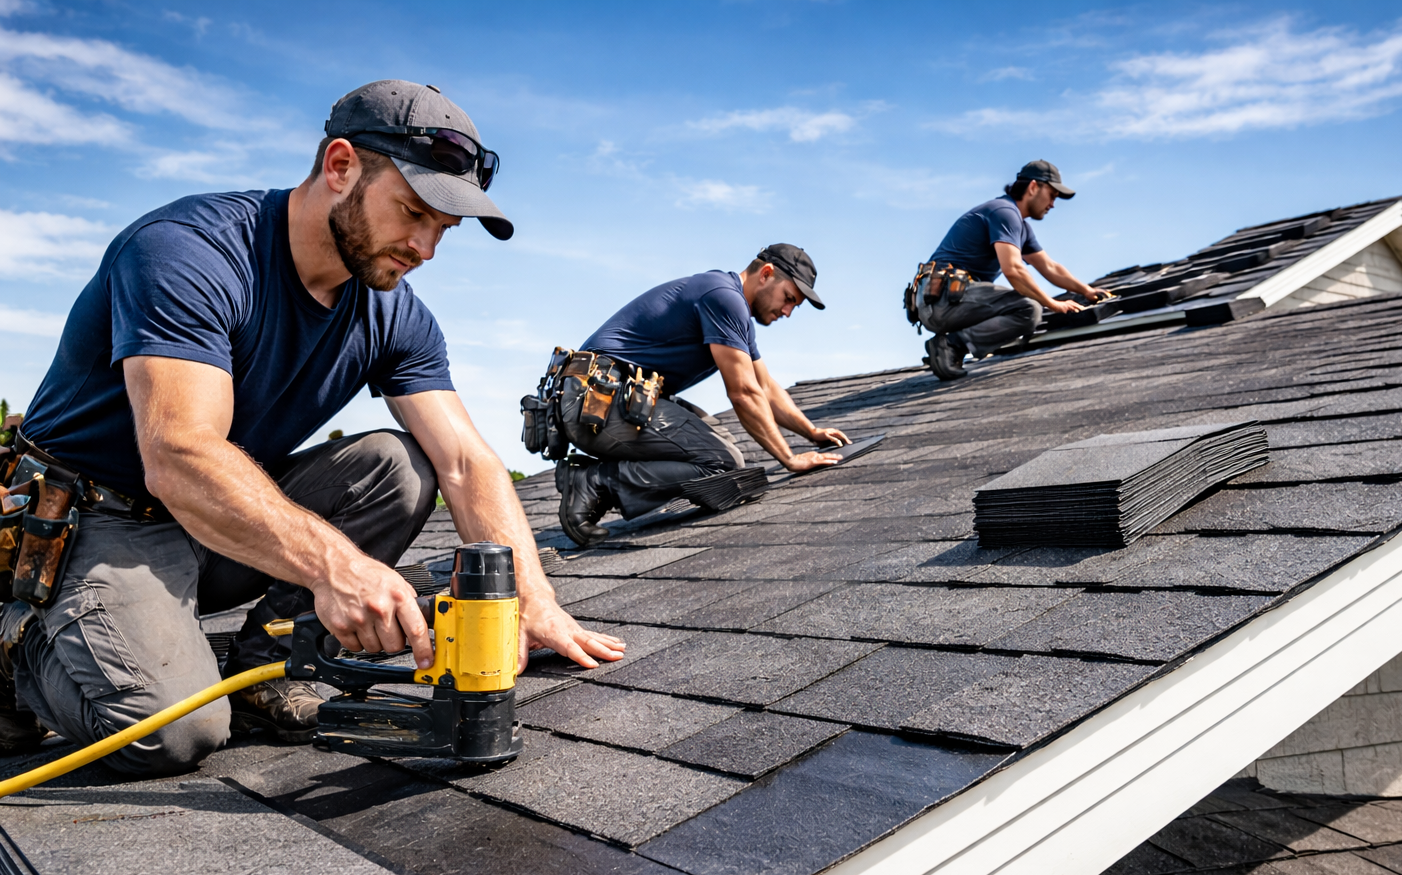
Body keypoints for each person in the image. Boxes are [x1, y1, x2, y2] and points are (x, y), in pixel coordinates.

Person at [0, 80, 624, 771]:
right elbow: (179, 453)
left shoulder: (393, 311)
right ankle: (18, 643)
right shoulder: (189, 251)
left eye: (443, 231)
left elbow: (466, 464)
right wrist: (337, 568)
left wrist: (531, 601)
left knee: (397, 465)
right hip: (92, 522)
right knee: (174, 733)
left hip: (207, 525)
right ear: (340, 167)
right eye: (412, 212)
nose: (425, 249)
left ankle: (269, 664)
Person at [553, 244, 850, 545]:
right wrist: (790, 459)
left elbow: (764, 385)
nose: (787, 312)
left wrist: (811, 432)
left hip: (607, 401)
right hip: (595, 402)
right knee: (722, 464)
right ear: (767, 273)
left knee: (724, 452)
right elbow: (744, 393)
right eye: (788, 298)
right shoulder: (723, 298)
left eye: (794, 306)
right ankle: (596, 482)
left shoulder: (731, 307)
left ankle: (595, 485)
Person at [913, 160, 1110, 380]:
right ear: (1033, 187)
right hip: (943, 301)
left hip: (946, 300)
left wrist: (1086, 291)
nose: (1053, 204)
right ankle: (951, 346)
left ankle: (951, 346)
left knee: (1028, 306)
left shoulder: (1019, 226)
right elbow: (1014, 270)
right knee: (1028, 309)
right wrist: (1052, 304)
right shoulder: (1005, 213)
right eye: (1052, 195)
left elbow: (1049, 266)